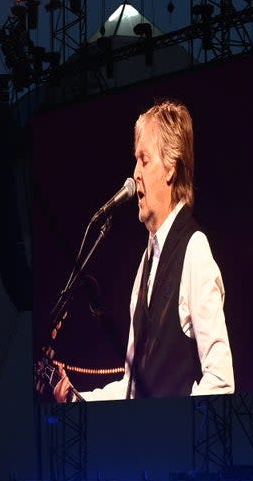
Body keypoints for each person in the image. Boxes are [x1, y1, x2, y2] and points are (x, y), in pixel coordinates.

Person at [55, 99, 234, 402]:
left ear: (170, 169)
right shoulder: (146, 261)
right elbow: (132, 387)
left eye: (144, 160)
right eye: (135, 160)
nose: (135, 173)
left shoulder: (194, 250)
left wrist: (173, 425)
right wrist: (77, 399)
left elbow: (221, 381)